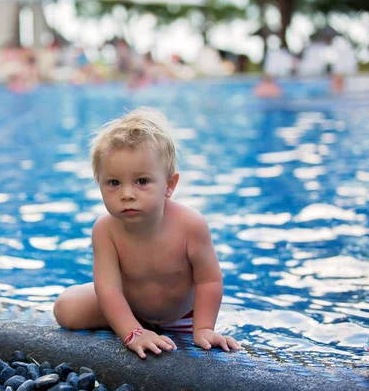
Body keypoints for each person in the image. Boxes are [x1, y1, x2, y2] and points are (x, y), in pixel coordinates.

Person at [53, 108, 241, 359]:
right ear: (99, 184)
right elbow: (108, 288)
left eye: (141, 181)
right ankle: (129, 323)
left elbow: (209, 280)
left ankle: (161, 327)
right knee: (66, 308)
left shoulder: (190, 225)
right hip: (131, 310)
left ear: (169, 185)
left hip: (182, 317)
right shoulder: (105, 230)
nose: (127, 194)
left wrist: (204, 328)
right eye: (114, 183)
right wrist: (131, 331)